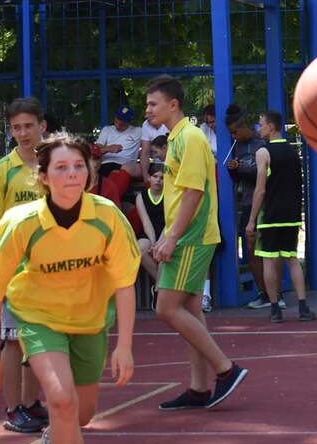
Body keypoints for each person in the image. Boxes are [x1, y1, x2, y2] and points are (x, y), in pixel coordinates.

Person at [0, 133, 139, 444]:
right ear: (43, 177)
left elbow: (124, 285)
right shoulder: (22, 223)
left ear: (91, 171)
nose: (71, 175)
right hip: (38, 318)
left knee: (81, 413)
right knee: (61, 400)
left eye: (79, 167)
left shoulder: (107, 217)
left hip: (89, 320)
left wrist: (125, 345)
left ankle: (56, 433)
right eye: (61, 168)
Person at [143, 74, 248, 411]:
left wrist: (173, 237)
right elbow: (178, 195)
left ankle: (226, 369)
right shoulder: (176, 139)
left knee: (166, 307)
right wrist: (165, 234)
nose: (147, 110)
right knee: (188, 309)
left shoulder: (188, 138)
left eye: (153, 104)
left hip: (192, 236)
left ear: (173, 105)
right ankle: (199, 387)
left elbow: (193, 192)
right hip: (184, 233)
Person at [0, 96, 48, 433]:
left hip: (50, 268)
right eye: (16, 127)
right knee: (14, 338)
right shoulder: (1, 171)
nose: (23, 133)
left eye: (29, 126)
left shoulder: (54, 165)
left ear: (42, 126)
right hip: (16, 270)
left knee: (41, 337)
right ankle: (13, 408)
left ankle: (32, 403)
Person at [244, 111, 314, 323]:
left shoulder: (263, 152)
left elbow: (260, 190)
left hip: (272, 214)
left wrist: (252, 220)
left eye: (260, 124)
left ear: (271, 127)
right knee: (292, 259)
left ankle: (275, 308)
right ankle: (303, 307)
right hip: (291, 214)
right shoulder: (293, 152)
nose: (258, 128)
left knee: (268, 261)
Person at [223, 105, 270, 307]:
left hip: (263, 203)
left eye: (235, 132)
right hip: (246, 202)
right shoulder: (237, 147)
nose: (233, 136)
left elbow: (265, 174)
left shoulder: (262, 143)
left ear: (244, 127)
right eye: (230, 133)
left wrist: (241, 167)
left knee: (267, 251)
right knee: (250, 250)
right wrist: (233, 170)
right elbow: (237, 178)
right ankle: (264, 293)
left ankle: (275, 294)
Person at [134, 161, 166, 289]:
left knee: (164, 251)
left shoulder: (169, 195)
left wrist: (160, 242)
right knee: (140, 248)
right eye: (155, 177)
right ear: (149, 178)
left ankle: (159, 288)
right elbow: (146, 221)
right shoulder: (141, 197)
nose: (158, 180)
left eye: (162, 178)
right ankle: (161, 283)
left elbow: (170, 222)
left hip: (166, 231)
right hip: (149, 232)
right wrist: (153, 242)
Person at [96, 106, 143, 181]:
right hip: (106, 165)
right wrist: (108, 149)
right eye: (118, 118)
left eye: (123, 121)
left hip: (126, 166)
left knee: (120, 173)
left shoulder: (138, 131)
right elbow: (95, 151)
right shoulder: (107, 130)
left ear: (129, 121)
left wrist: (142, 153)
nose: (119, 122)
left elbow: (152, 144)